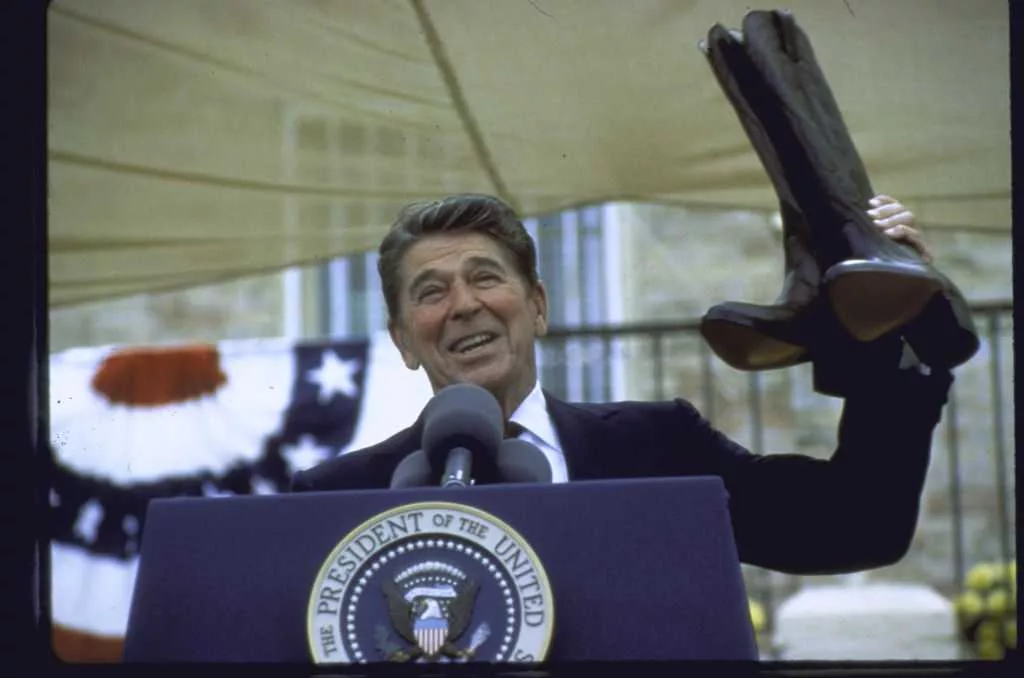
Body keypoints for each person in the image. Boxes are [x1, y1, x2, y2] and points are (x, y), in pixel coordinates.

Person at [291, 193, 953, 576]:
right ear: (405, 339)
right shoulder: (336, 498)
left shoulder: (661, 445)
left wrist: (885, 328)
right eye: (431, 292)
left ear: (539, 306)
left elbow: (858, 525)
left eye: (486, 278)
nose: (463, 304)